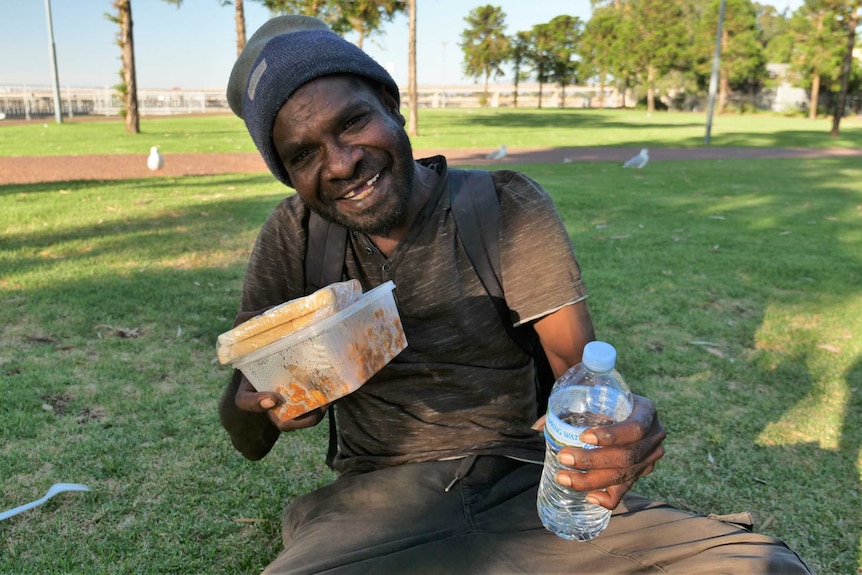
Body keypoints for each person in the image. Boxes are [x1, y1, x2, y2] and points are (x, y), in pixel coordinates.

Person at [220, 15, 811, 575]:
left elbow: (578, 374)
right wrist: (255, 403)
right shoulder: (294, 236)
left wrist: (623, 425)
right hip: (374, 502)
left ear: (392, 105)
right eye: (304, 154)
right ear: (288, 174)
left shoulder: (502, 207)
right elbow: (247, 439)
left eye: (352, 122)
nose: (342, 163)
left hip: (525, 482)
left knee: (765, 568)